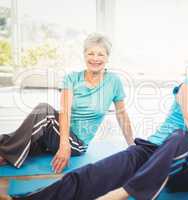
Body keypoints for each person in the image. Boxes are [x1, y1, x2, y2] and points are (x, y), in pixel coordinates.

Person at [1, 35, 188, 200]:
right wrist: (132, 147)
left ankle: (123, 194)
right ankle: (24, 199)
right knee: (92, 173)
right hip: (153, 152)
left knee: (184, 138)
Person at [0, 33, 134, 174]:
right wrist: (64, 143)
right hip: (60, 135)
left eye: (100, 54)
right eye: (91, 53)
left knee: (44, 111)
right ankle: (6, 150)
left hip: (77, 143)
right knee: (13, 137)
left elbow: (122, 114)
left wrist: (131, 145)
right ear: (84, 55)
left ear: (107, 58)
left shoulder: (114, 82)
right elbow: (65, 110)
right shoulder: (72, 78)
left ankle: (6, 155)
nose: (95, 58)